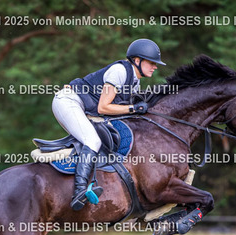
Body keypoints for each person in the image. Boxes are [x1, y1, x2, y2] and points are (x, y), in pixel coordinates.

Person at [52, 38, 165, 210]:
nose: (155, 67)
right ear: (137, 60)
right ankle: (79, 192)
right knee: (93, 141)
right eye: (151, 62)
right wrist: (134, 109)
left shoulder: (134, 82)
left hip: (84, 108)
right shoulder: (119, 71)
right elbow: (103, 107)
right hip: (68, 101)